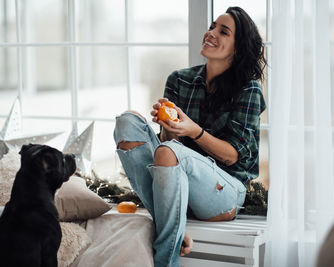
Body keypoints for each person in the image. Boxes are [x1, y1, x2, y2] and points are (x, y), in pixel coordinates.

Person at [113, 6, 266, 267]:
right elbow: (165, 148)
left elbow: (233, 156)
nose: (211, 33)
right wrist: (169, 128)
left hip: (224, 193)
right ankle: (174, 225)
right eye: (212, 26)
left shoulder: (248, 88)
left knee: (170, 150)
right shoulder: (179, 80)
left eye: (223, 31)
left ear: (238, 48)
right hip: (177, 182)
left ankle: (166, 260)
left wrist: (193, 131)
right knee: (127, 121)